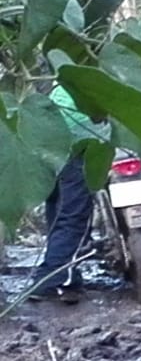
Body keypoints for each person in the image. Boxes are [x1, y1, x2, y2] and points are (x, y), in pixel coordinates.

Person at [28, 87, 105, 304]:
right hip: (80, 147)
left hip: (52, 150)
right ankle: (50, 279)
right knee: (74, 217)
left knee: (57, 212)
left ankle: (68, 278)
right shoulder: (99, 83)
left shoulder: (63, 84)